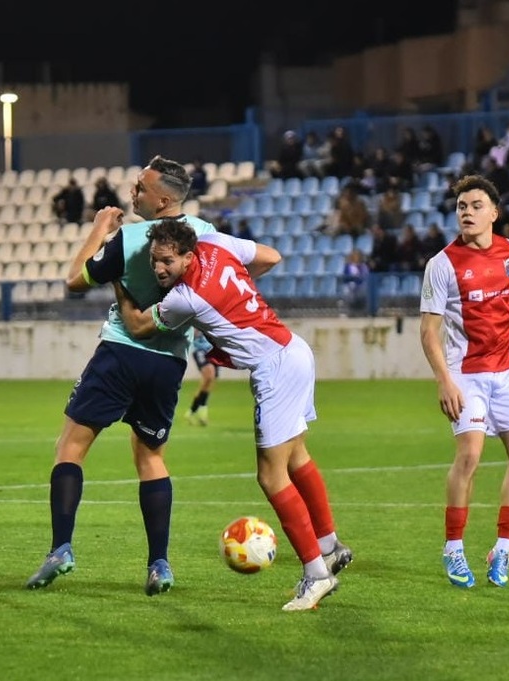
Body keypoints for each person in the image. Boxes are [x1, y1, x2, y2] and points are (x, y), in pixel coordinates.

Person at [110, 217, 354, 612]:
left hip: (274, 368)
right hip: (294, 349)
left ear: (188, 257)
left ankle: (317, 575)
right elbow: (271, 257)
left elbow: (138, 325)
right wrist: (236, 290)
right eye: (154, 260)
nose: (158, 268)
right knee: (296, 457)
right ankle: (328, 546)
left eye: (167, 261)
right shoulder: (216, 244)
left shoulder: (184, 297)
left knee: (270, 476)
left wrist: (117, 280)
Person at [26, 155, 217, 597]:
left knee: (70, 447)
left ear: (163, 200)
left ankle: (60, 549)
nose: (133, 193)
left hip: (120, 352)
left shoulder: (130, 237)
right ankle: (159, 564)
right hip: (169, 361)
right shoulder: (207, 235)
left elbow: (75, 280)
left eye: (141, 188)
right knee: (150, 457)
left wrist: (99, 229)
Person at [419, 174, 509, 590]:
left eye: (475, 206)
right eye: (461, 207)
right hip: (466, 375)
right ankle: (453, 547)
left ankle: (502, 549)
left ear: (494, 213)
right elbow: (428, 331)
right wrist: (444, 381)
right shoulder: (442, 265)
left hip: (508, 374)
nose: (466, 213)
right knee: (469, 455)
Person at [184, 329, 218, 426]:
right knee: (209, 376)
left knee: (208, 383)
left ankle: (192, 412)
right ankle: (200, 412)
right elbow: (192, 333)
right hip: (200, 350)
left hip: (214, 351)